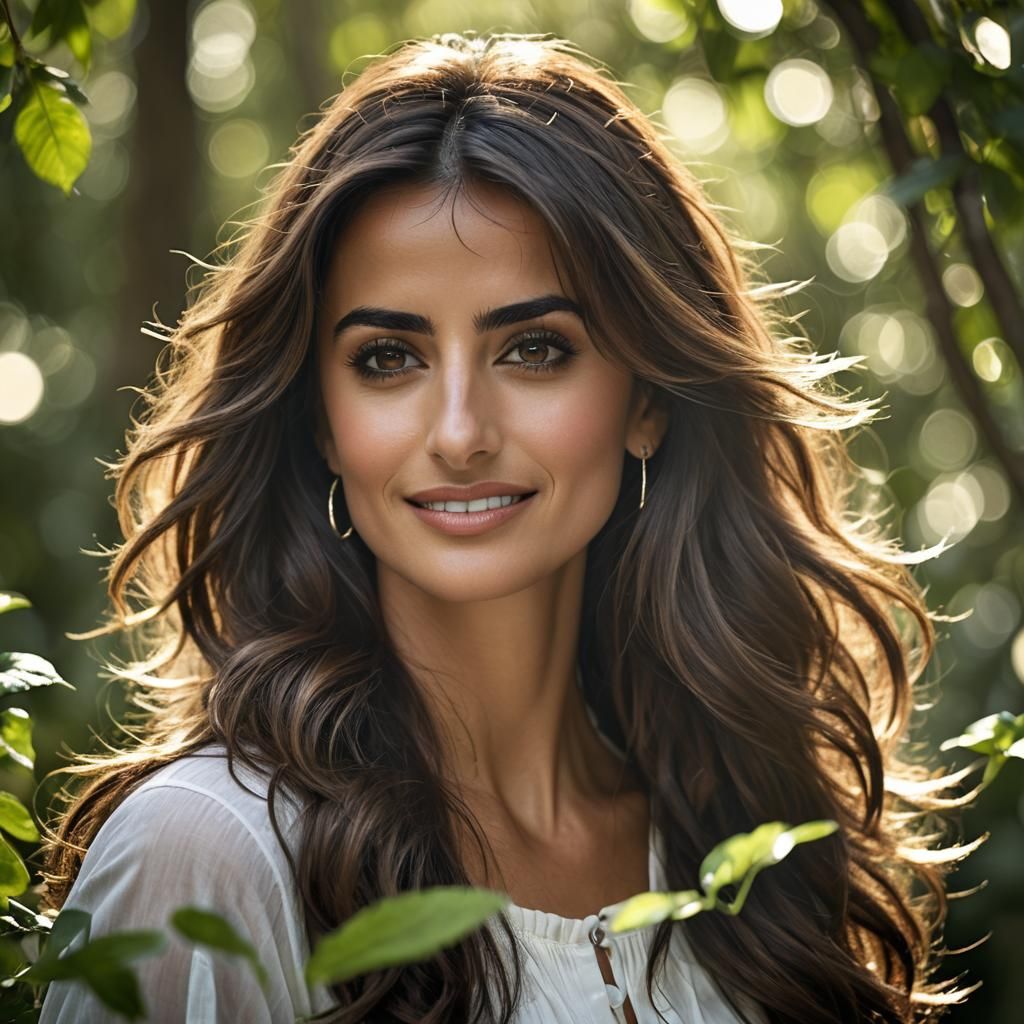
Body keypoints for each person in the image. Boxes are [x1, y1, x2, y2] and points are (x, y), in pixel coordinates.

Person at [38, 30, 973, 1024]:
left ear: (647, 399)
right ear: (319, 418)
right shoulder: (210, 850)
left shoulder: (750, 835)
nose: (458, 434)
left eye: (533, 349)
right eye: (388, 358)